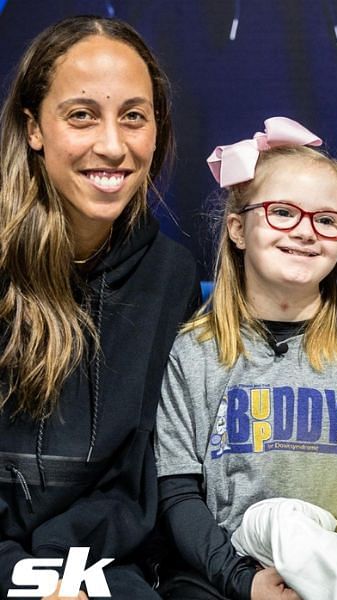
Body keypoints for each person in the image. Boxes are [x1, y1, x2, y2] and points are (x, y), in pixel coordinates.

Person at [155, 118, 337, 600]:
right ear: (237, 227)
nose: (305, 232)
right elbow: (178, 494)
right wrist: (244, 581)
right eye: (282, 212)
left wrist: (321, 562)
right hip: (223, 579)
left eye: (325, 219)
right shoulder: (194, 353)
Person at [0, 16, 202, 598]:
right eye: (82, 115)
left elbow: (139, 477)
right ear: (33, 126)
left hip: (99, 566)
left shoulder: (171, 275)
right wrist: (23, 575)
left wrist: (64, 571)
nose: (112, 146)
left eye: (133, 117)